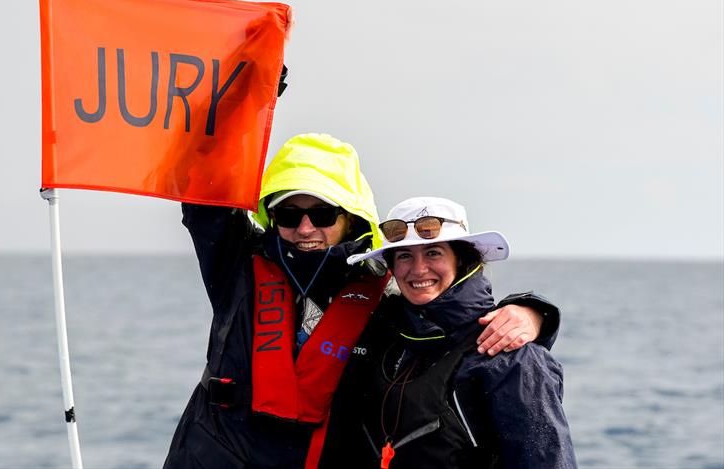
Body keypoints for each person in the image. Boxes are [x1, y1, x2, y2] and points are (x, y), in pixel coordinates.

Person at [163, 135, 561, 469]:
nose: (305, 228)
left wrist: (533, 312)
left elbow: (450, 327)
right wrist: (243, 102)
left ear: (350, 218)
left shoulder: (388, 292)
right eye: (288, 213)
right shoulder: (238, 267)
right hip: (214, 453)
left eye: (322, 213)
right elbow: (205, 194)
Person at [320, 197, 576, 468]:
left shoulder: (511, 357)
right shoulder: (382, 338)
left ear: (462, 259)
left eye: (433, 253)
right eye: (405, 255)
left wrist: (537, 313)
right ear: (392, 267)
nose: (418, 269)